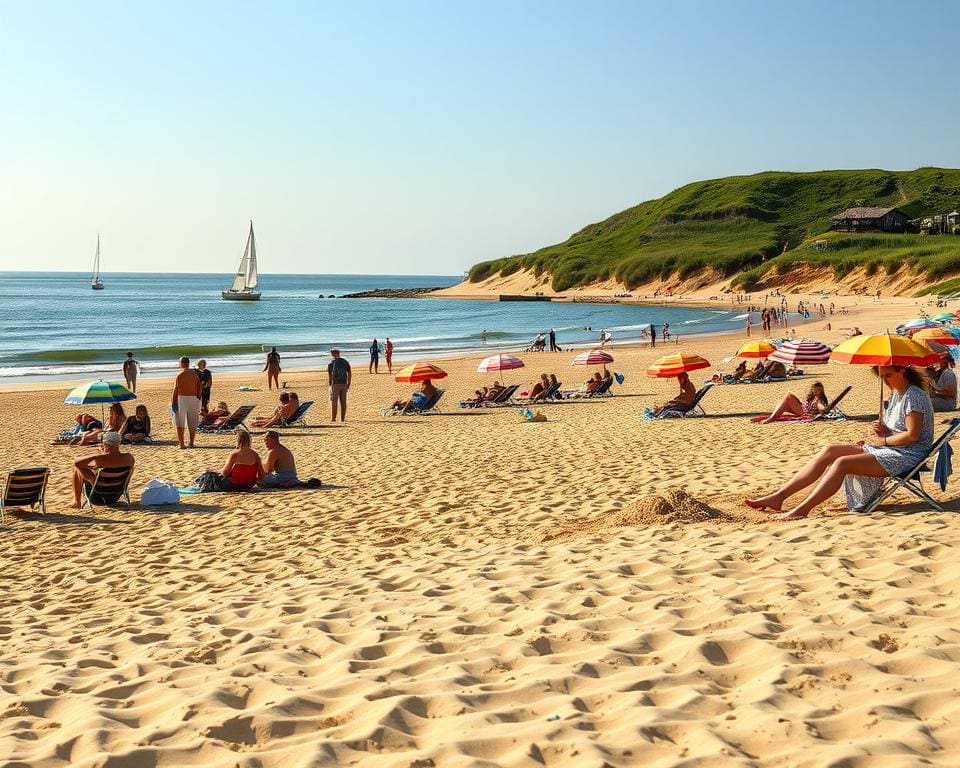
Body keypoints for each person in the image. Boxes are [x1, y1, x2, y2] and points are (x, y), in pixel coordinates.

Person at [747, 366, 934, 519]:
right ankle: (778, 498)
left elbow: (912, 436)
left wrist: (883, 440)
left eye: (888, 375)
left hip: (908, 455)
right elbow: (899, 431)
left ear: (902, 371)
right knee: (830, 450)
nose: (885, 381)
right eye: (881, 376)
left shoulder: (913, 396)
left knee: (842, 463)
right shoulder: (897, 394)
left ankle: (802, 510)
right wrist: (883, 431)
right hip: (891, 447)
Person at [71, 431, 135, 509]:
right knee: (95, 472)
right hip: (115, 496)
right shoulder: (129, 458)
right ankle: (76, 501)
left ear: (105, 444)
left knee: (78, 470)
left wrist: (97, 455)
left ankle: (77, 502)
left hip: (97, 497)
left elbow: (76, 462)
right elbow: (113, 463)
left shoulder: (99, 459)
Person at [171, 356, 202, 449]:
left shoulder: (180, 375)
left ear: (181, 364)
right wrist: (197, 398)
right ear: (188, 363)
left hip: (182, 398)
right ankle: (191, 443)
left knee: (180, 421)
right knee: (192, 421)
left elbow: (175, 390)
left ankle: (182, 444)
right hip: (193, 398)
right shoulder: (194, 375)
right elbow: (199, 389)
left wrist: (173, 402)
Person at [761, 382, 829, 423]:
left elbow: (821, 406)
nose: (814, 391)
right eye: (813, 389)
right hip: (802, 408)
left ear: (820, 390)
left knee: (789, 396)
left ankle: (772, 418)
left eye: (816, 390)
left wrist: (824, 409)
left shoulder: (819, 399)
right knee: (781, 402)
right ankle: (774, 415)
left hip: (803, 411)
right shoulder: (814, 397)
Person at [328, 348, 352, 422]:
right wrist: (349, 383)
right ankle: (342, 418)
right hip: (344, 383)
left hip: (335, 384)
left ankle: (333, 418)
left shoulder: (331, 363)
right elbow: (349, 373)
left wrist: (330, 385)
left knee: (334, 402)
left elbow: (330, 375)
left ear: (333, 354)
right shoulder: (345, 362)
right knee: (343, 402)